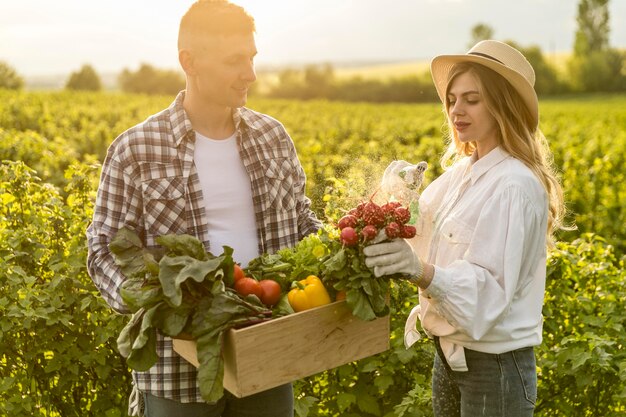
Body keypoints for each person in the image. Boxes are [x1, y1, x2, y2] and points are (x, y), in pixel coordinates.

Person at [86, 1, 321, 416]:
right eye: (235, 61)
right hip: (178, 368)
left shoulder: (272, 136)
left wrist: (345, 248)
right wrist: (160, 297)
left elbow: (302, 222)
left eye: (252, 58)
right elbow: (103, 250)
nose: (250, 73)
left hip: (266, 351)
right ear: (189, 61)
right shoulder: (136, 148)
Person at [364, 40, 567, 416]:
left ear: (503, 104)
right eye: (453, 99)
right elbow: (419, 228)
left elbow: (489, 292)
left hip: (495, 368)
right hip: (450, 356)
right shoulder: (460, 175)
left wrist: (419, 271)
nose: (457, 110)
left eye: (472, 99)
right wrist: (397, 201)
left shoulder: (514, 185)